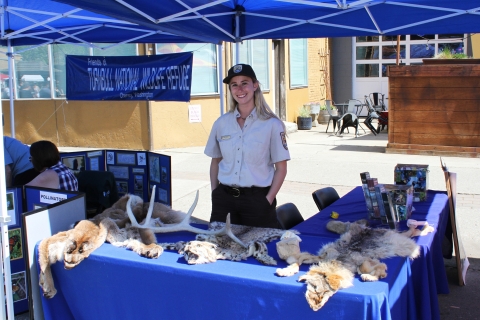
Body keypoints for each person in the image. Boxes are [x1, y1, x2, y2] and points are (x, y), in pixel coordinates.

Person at [204, 64, 290, 228]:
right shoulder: (221, 123)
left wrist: (268, 199)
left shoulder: (272, 124)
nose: (240, 89)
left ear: (255, 85)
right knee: (220, 249)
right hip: (224, 201)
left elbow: (281, 168)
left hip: (257, 201)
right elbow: (215, 161)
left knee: (258, 249)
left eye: (244, 83)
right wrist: (215, 193)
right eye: (234, 85)